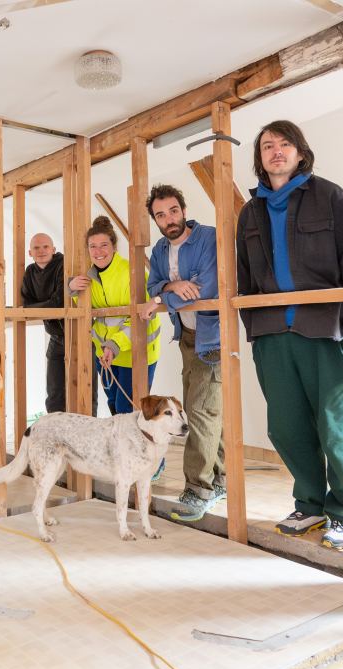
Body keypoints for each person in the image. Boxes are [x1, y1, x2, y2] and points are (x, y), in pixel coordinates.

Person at [236, 119, 343, 550]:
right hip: (273, 333)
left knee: (334, 428)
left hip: (327, 330)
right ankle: (309, 503)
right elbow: (244, 274)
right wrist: (253, 329)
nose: (276, 152)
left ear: (300, 152)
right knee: (286, 427)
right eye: (268, 146)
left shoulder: (331, 197)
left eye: (284, 144)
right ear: (259, 158)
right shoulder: (250, 211)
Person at [139, 184, 225, 522]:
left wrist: (161, 298)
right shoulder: (161, 248)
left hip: (212, 335)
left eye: (173, 210)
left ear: (184, 209)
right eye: (160, 214)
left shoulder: (207, 238)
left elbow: (207, 286)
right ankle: (219, 481)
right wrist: (170, 288)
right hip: (187, 335)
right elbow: (153, 285)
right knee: (205, 409)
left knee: (199, 411)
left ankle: (199, 490)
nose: (168, 218)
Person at [68, 216, 161, 417]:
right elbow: (86, 310)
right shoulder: (89, 276)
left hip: (136, 352)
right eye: (92, 246)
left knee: (127, 410)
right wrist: (72, 289)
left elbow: (142, 318)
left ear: (114, 246)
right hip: (106, 355)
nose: (98, 251)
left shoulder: (132, 272)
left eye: (104, 245)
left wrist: (113, 345)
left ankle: (135, 449)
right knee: (113, 405)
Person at [20, 233, 66, 414]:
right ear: (30, 252)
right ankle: (54, 438)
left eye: (45, 247)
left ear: (53, 250)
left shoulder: (63, 264)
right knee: (54, 394)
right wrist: (47, 306)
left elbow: (60, 302)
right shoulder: (30, 272)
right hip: (54, 336)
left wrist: (37, 308)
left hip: (76, 334)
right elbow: (26, 304)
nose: (41, 251)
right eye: (36, 248)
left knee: (83, 391)